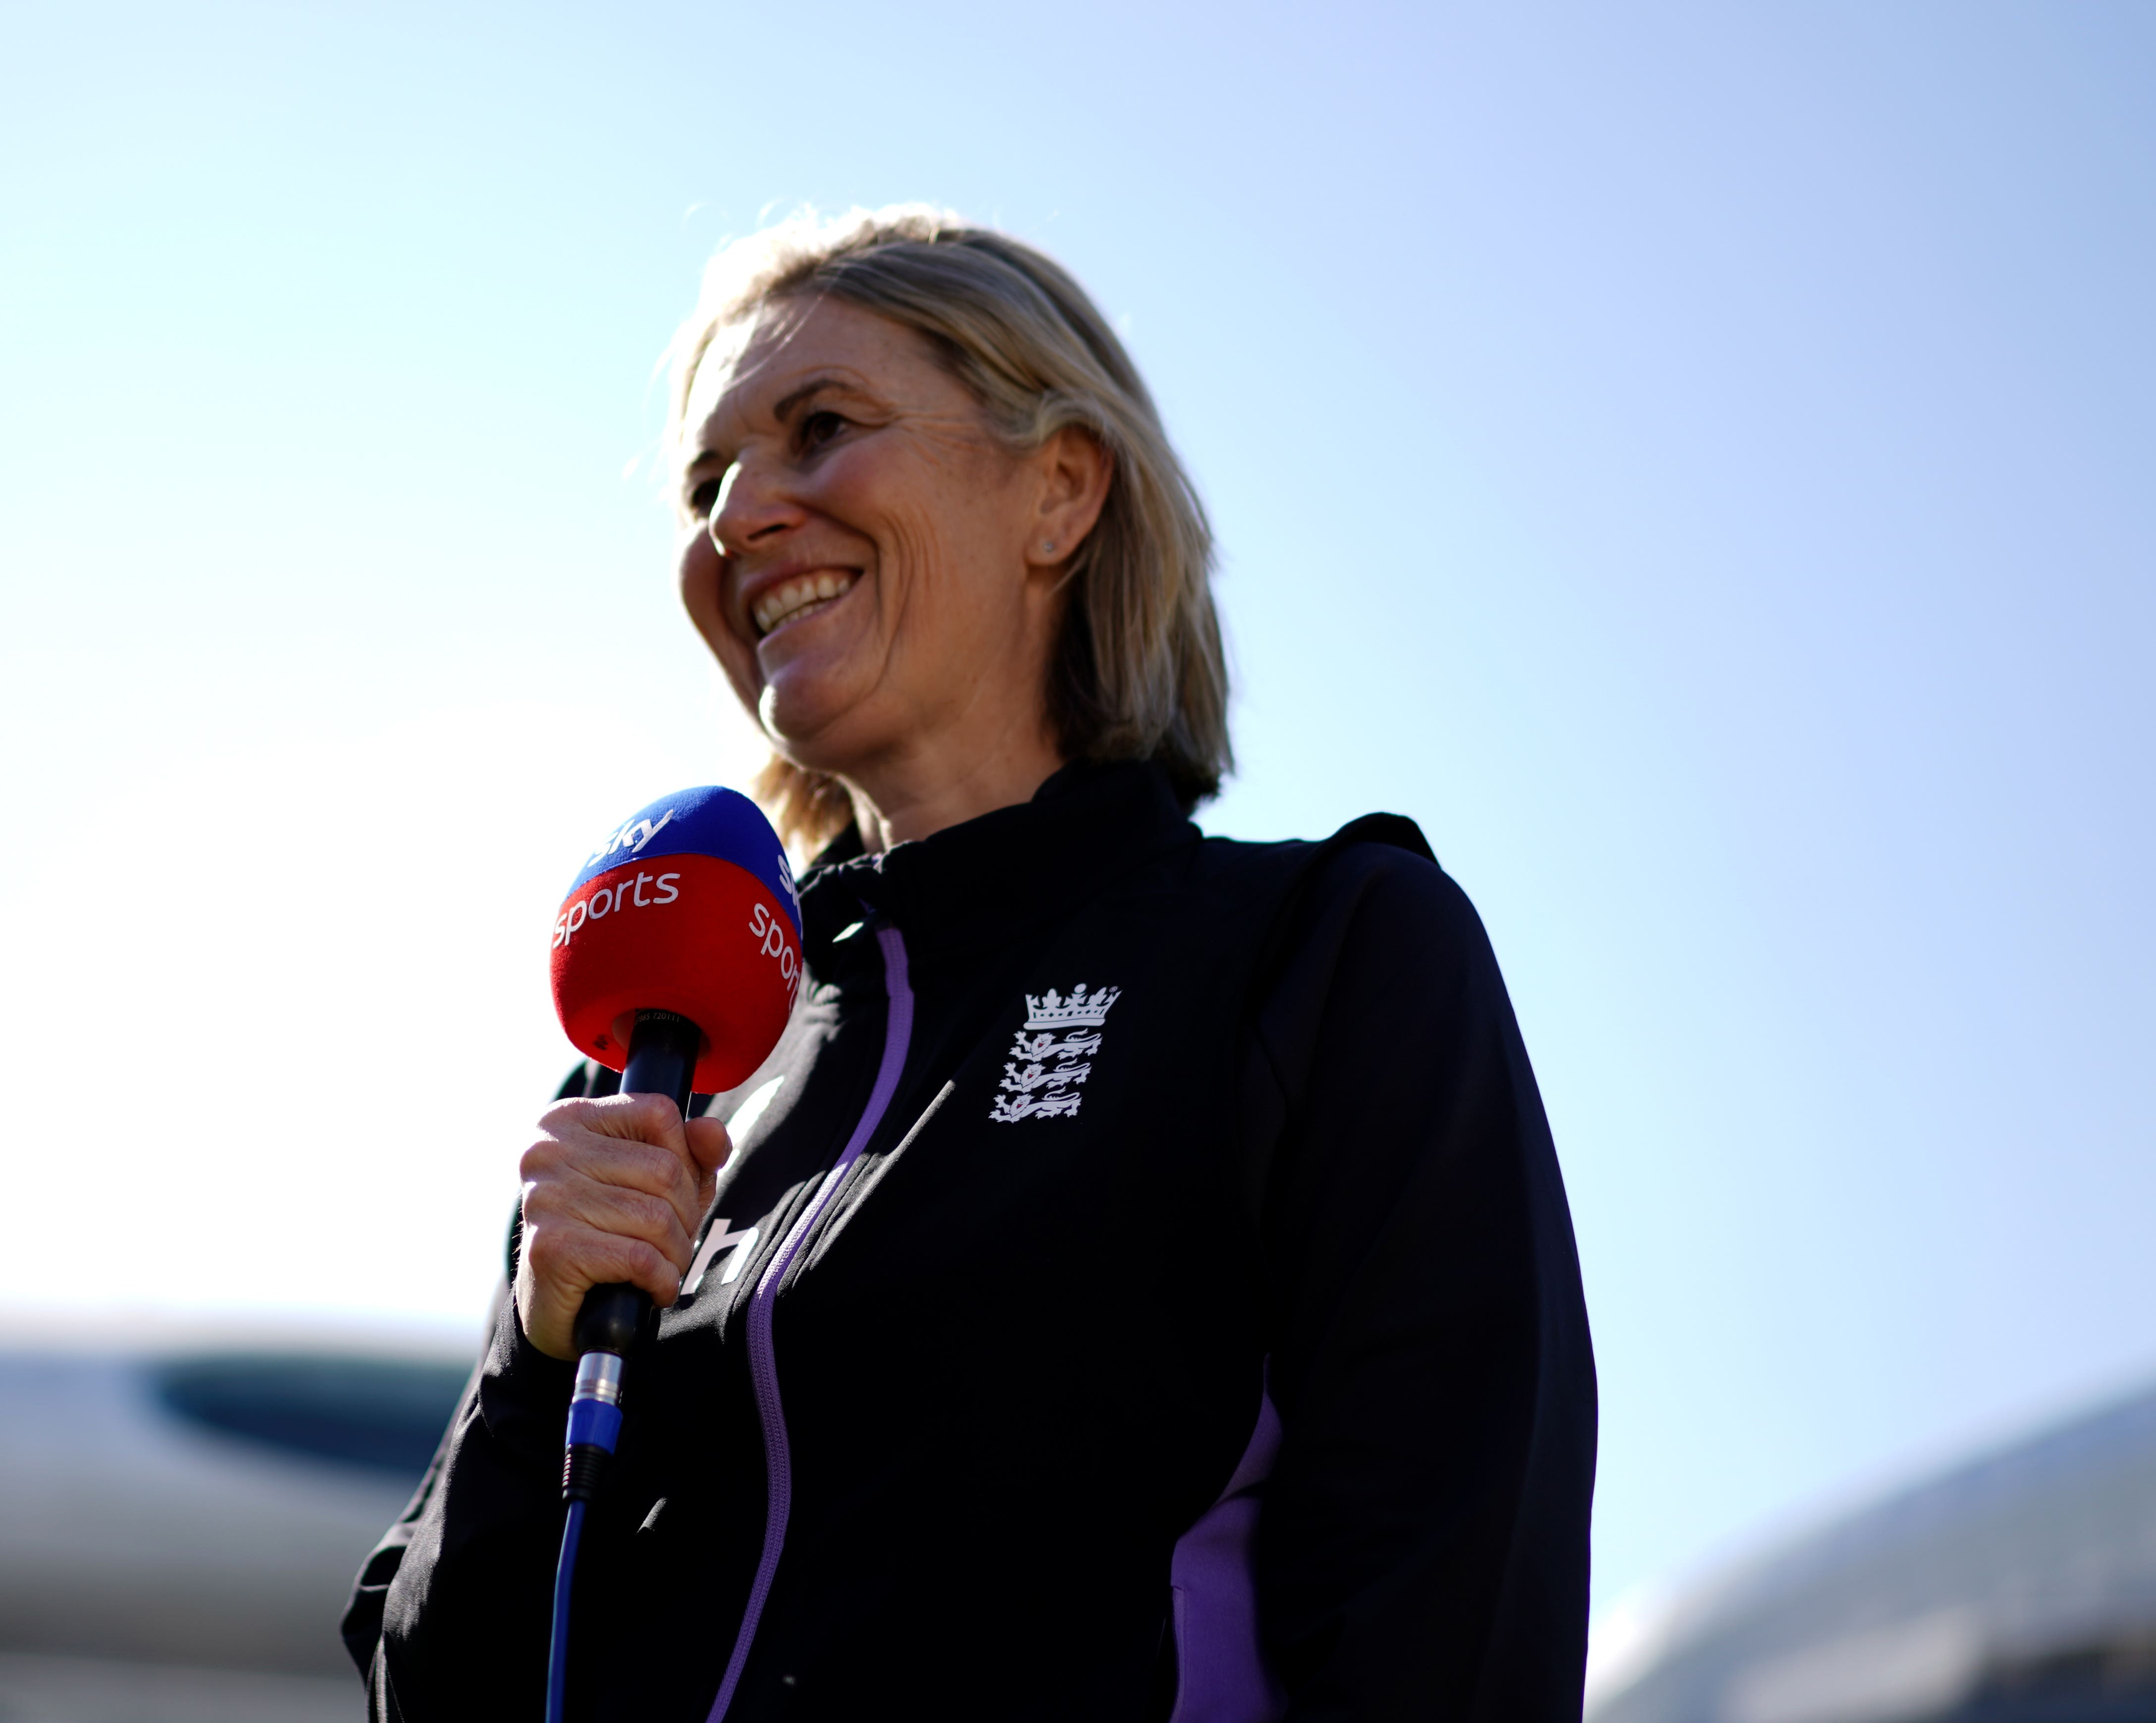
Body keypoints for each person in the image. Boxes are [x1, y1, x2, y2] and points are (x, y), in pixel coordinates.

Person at [344, 206, 1595, 1722]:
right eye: (706, 479)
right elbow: (439, 1694)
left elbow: (1451, 1627)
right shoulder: (664, 1066)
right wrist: (538, 1357)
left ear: (1058, 491)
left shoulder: (1323, 959)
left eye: (819, 428)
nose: (738, 515)